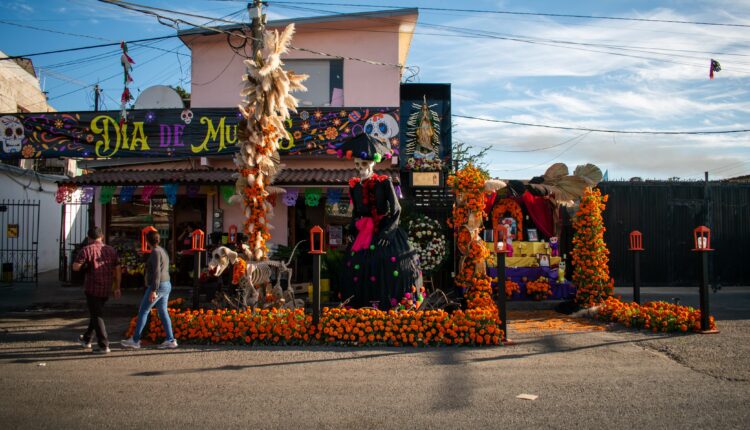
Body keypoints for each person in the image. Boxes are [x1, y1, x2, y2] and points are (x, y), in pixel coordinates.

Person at [337, 133, 422, 308]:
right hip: (363, 234)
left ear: (373, 163)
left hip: (384, 230)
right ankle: (360, 307)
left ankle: (394, 306)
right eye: (358, 165)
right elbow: (356, 214)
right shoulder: (355, 187)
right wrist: (352, 230)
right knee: (359, 267)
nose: (362, 169)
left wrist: (388, 232)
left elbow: (396, 208)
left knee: (388, 265)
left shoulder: (384, 183)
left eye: (365, 164)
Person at [121, 230, 178, 349]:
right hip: (166, 283)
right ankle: (170, 339)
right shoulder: (162, 250)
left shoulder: (155, 252)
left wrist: (154, 289)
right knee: (163, 312)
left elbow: (156, 271)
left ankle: (135, 340)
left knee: (144, 310)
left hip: (158, 285)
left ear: (147, 241)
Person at [72, 226, 121, 354]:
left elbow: (76, 267)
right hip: (106, 287)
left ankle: (104, 345)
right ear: (102, 236)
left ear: (89, 238)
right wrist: (117, 287)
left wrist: (85, 265)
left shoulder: (86, 250)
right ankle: (87, 339)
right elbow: (117, 269)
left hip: (92, 288)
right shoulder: (110, 250)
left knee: (97, 315)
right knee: (96, 313)